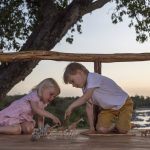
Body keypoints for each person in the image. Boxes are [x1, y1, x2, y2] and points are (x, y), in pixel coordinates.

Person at [63, 62, 133, 134]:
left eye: (72, 81)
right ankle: (117, 125)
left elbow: (86, 97)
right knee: (101, 129)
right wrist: (92, 128)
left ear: (80, 73)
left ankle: (124, 126)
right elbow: (89, 107)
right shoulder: (85, 89)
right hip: (108, 109)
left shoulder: (93, 77)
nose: (73, 85)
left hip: (123, 103)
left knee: (123, 130)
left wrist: (71, 107)